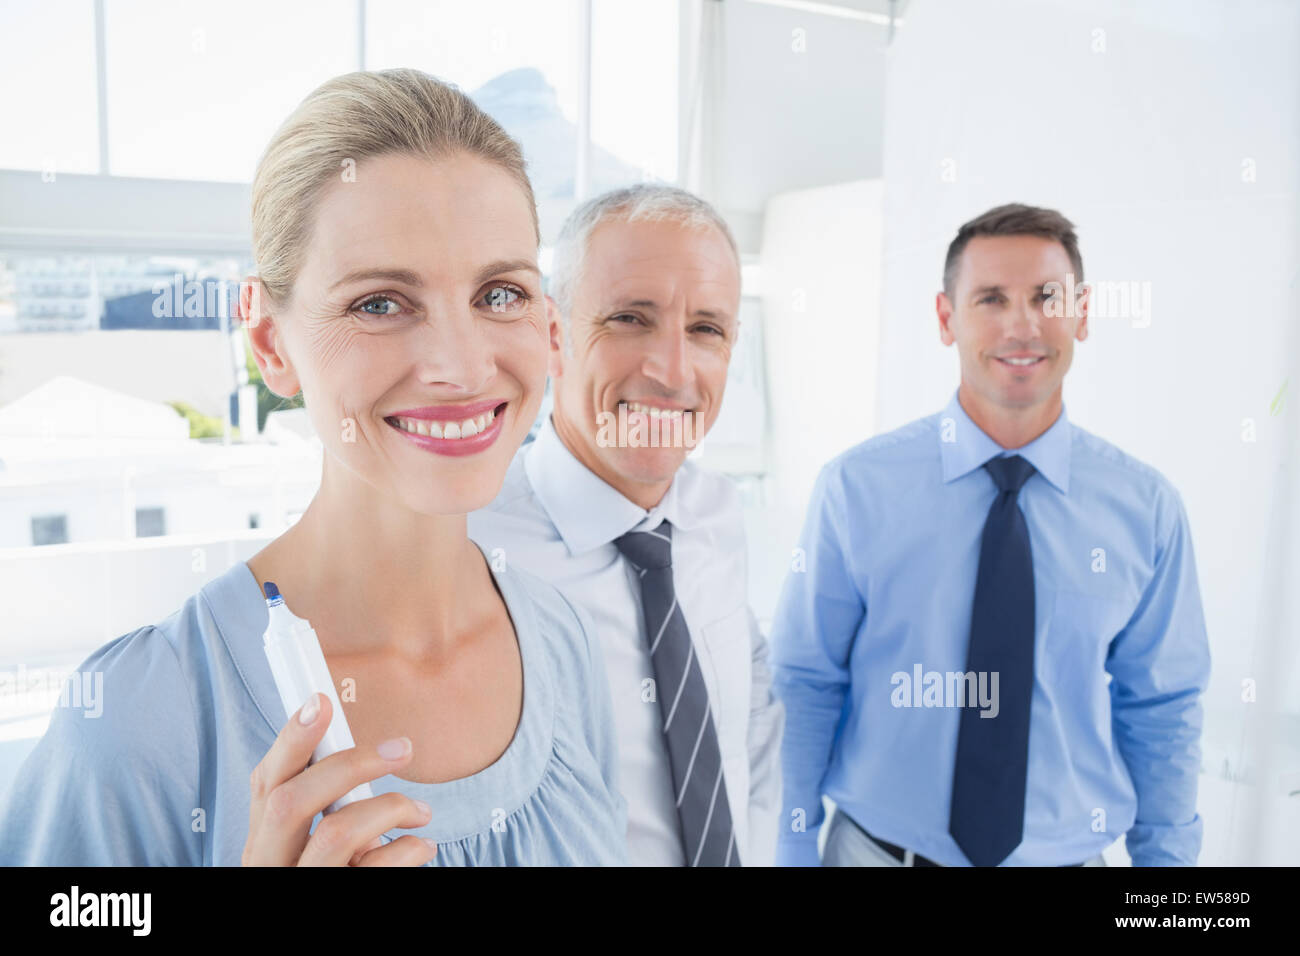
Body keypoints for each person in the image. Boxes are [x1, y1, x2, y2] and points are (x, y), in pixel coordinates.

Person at [0, 69, 626, 866]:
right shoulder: (139, 723)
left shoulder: (562, 641)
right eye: (380, 303)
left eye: (499, 293)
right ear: (268, 343)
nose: (461, 367)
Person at [771, 203, 1210, 867]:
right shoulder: (857, 490)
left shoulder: (1145, 509)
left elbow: (1164, 707)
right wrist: (789, 850)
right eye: (991, 299)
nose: (1022, 324)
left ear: (1083, 313)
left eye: (1046, 297)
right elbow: (805, 682)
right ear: (947, 319)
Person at [468, 185, 784, 866]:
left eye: (706, 329)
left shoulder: (718, 515)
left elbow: (749, 731)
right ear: (553, 336)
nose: (672, 371)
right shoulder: (466, 549)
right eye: (630, 319)